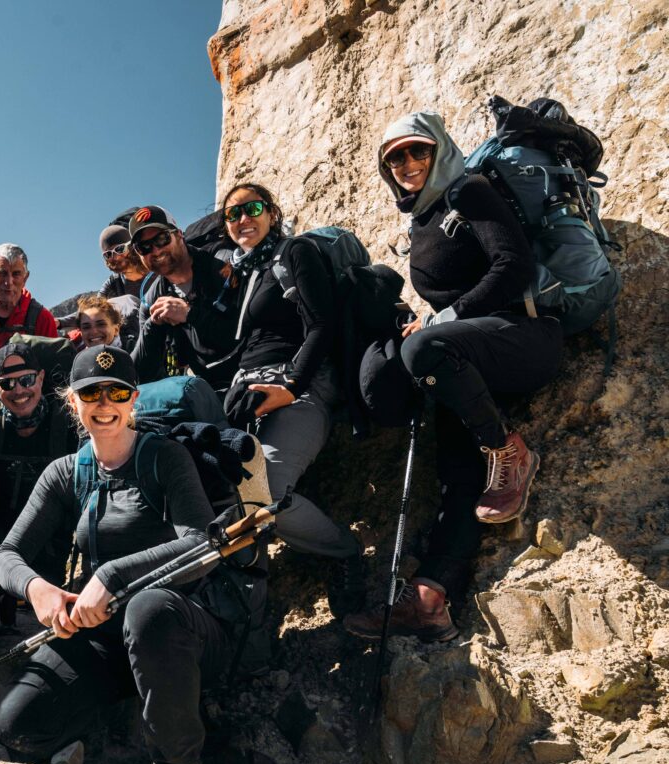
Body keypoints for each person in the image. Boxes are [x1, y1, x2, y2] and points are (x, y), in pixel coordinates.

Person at [344, 111, 563, 642]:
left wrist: (447, 319)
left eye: (418, 151)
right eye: (395, 157)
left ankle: (509, 450)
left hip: (525, 335)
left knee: (424, 350)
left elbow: (512, 266)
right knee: (457, 477)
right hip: (467, 354)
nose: (408, 164)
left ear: (439, 150)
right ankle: (430, 599)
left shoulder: (470, 192)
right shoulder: (420, 220)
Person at [0, 347, 232, 764]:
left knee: (147, 609)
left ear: (132, 399)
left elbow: (202, 544)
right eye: (91, 393)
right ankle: (139, 707)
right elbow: (7, 555)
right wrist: (38, 589)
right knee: (19, 725)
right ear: (73, 402)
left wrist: (111, 576)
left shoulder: (166, 458)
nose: (104, 403)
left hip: (184, 632)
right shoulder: (66, 472)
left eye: (116, 392)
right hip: (107, 633)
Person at [213, 182, 367, 615]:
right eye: (233, 214)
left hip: (297, 386)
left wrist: (291, 388)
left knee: (267, 492)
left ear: (273, 213)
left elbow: (322, 325)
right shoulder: (246, 274)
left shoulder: (295, 253)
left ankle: (345, 553)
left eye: (252, 208)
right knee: (227, 494)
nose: (242, 219)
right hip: (248, 391)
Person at [0, 343, 83, 625]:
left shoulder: (68, 428)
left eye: (27, 380)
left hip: (49, 543)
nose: (18, 391)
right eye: (7, 383)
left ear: (40, 378)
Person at [128, 206, 244, 390]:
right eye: (144, 247)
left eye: (161, 239)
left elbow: (248, 332)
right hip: (206, 389)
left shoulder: (221, 266)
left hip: (247, 373)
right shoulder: (152, 300)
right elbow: (140, 372)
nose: (156, 251)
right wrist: (153, 326)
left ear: (179, 235)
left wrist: (190, 314)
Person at [0, 243, 59, 358]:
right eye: (2, 273)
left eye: (16, 274)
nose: (9, 282)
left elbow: (53, 366)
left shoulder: (42, 319)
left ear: (25, 278)